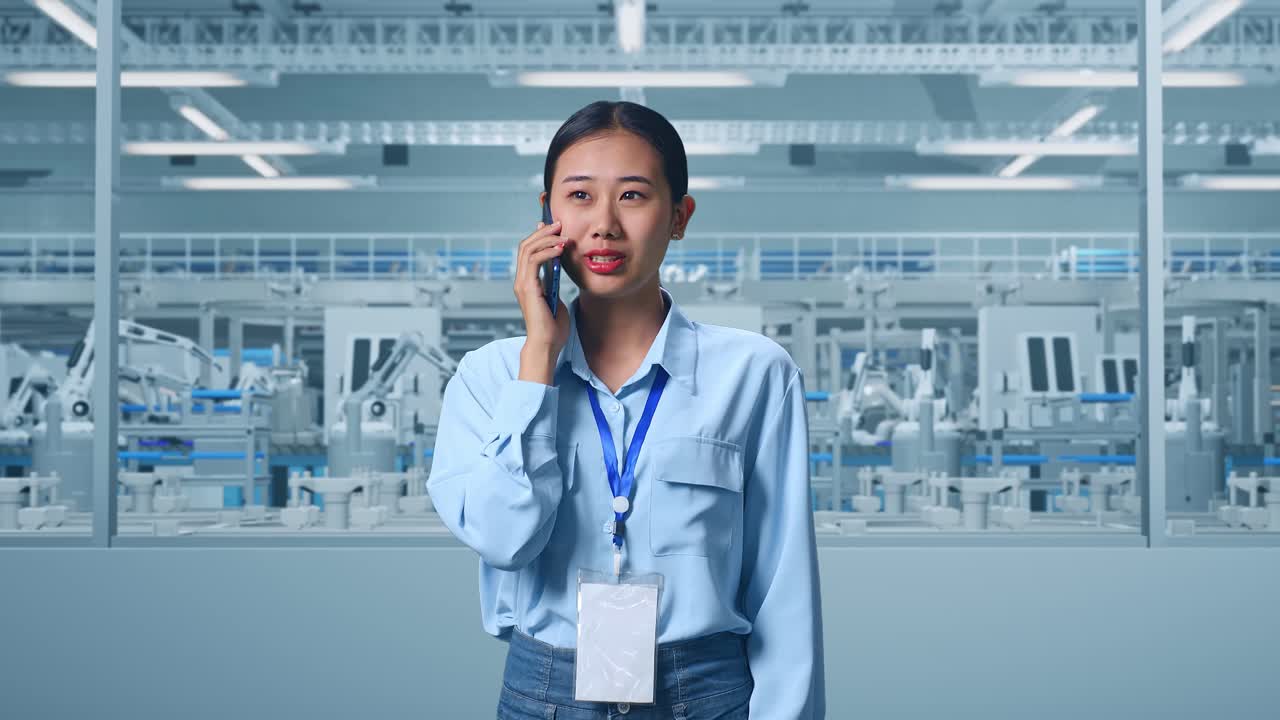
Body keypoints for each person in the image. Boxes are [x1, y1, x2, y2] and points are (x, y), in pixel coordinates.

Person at [429, 100, 825, 719]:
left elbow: (784, 586)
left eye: (634, 196)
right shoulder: (490, 378)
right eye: (580, 196)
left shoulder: (754, 374)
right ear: (547, 214)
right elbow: (504, 540)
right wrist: (539, 359)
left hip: (705, 691)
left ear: (679, 217)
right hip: (547, 693)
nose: (604, 225)